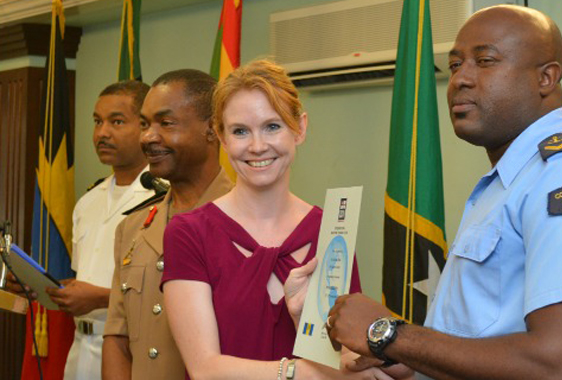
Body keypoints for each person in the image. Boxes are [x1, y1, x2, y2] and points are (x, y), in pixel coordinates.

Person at [325, 5, 562, 380]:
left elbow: (560, 366)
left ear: (546, 78)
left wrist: (387, 335)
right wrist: (414, 363)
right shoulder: (513, 181)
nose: (460, 79)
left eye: (485, 61)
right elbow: (493, 337)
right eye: (455, 65)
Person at [160, 60, 405, 380]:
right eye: (240, 131)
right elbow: (205, 368)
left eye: (272, 126)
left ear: (299, 128)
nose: (257, 146)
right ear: (221, 137)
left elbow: (347, 360)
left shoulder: (330, 229)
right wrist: (299, 372)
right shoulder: (189, 233)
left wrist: (310, 323)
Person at [4, 81, 153, 380]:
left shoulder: (163, 200)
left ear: (146, 127)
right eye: (97, 122)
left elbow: (167, 293)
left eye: (117, 121)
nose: (102, 133)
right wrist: (44, 287)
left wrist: (98, 298)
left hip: (133, 352)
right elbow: (85, 279)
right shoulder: (87, 202)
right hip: (80, 349)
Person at [102, 69, 233, 380]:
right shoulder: (133, 228)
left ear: (213, 129)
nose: (148, 137)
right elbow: (117, 338)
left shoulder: (246, 220)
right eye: (145, 124)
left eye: (166, 123)